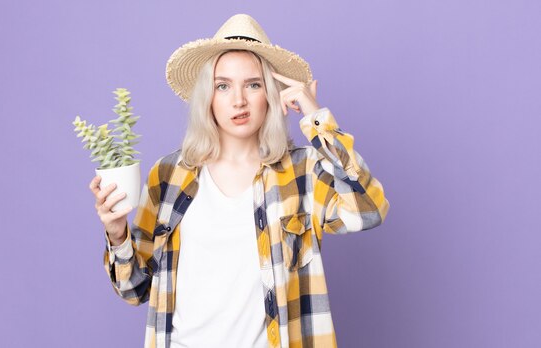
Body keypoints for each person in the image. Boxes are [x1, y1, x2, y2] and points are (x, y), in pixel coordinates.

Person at [89, 14, 389, 348]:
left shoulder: (303, 172)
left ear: (271, 94)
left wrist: (316, 118)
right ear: (208, 96)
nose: (239, 100)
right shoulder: (168, 175)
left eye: (253, 84)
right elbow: (134, 290)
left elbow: (369, 209)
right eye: (223, 85)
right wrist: (117, 235)